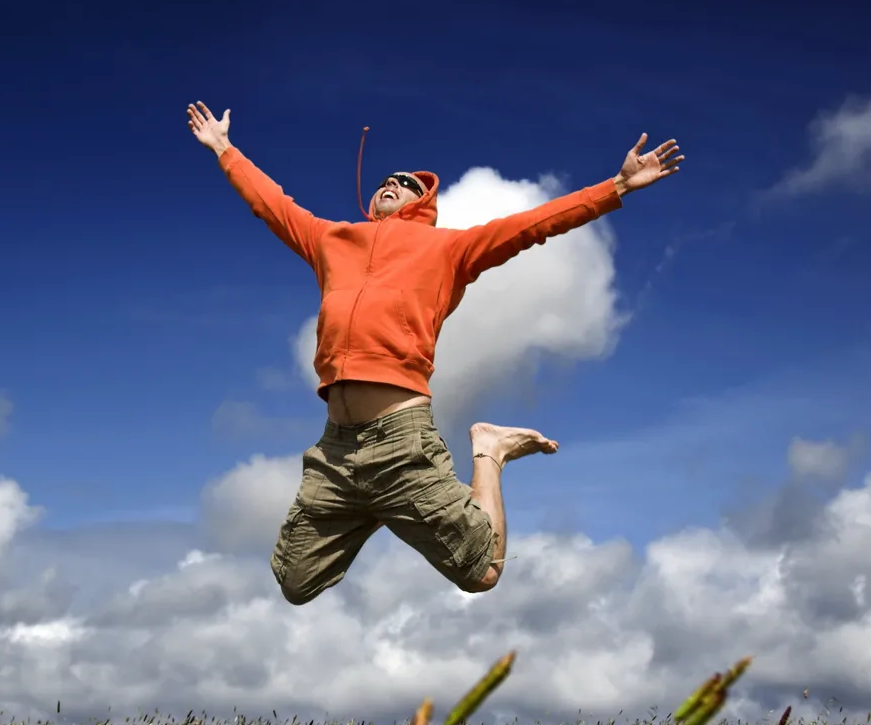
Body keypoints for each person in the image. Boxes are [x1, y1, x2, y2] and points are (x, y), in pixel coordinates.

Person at [186, 100, 682, 605]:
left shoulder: (448, 249)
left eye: (408, 183)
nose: (393, 182)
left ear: (423, 203)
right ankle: (381, 506)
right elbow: (272, 204)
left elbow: (534, 225)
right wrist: (225, 148)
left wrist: (615, 187)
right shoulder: (331, 240)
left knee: (482, 571)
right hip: (335, 450)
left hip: (400, 441)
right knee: (295, 581)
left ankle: (490, 451)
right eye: (389, 178)